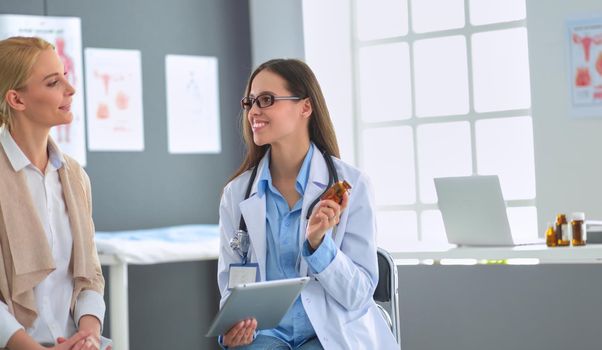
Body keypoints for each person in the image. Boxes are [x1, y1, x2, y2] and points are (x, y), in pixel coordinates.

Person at [217, 59, 398, 349]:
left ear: (305, 107)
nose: (254, 111)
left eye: (266, 100)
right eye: (250, 102)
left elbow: (359, 294)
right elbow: (230, 288)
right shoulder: (236, 194)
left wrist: (318, 245)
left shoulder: (354, 184)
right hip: (265, 336)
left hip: (329, 333)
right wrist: (230, 330)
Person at [0, 36, 107, 350]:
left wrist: (87, 337)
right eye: (52, 82)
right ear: (16, 100)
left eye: (65, 76)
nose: (70, 89)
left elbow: (90, 276)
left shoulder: (75, 177)